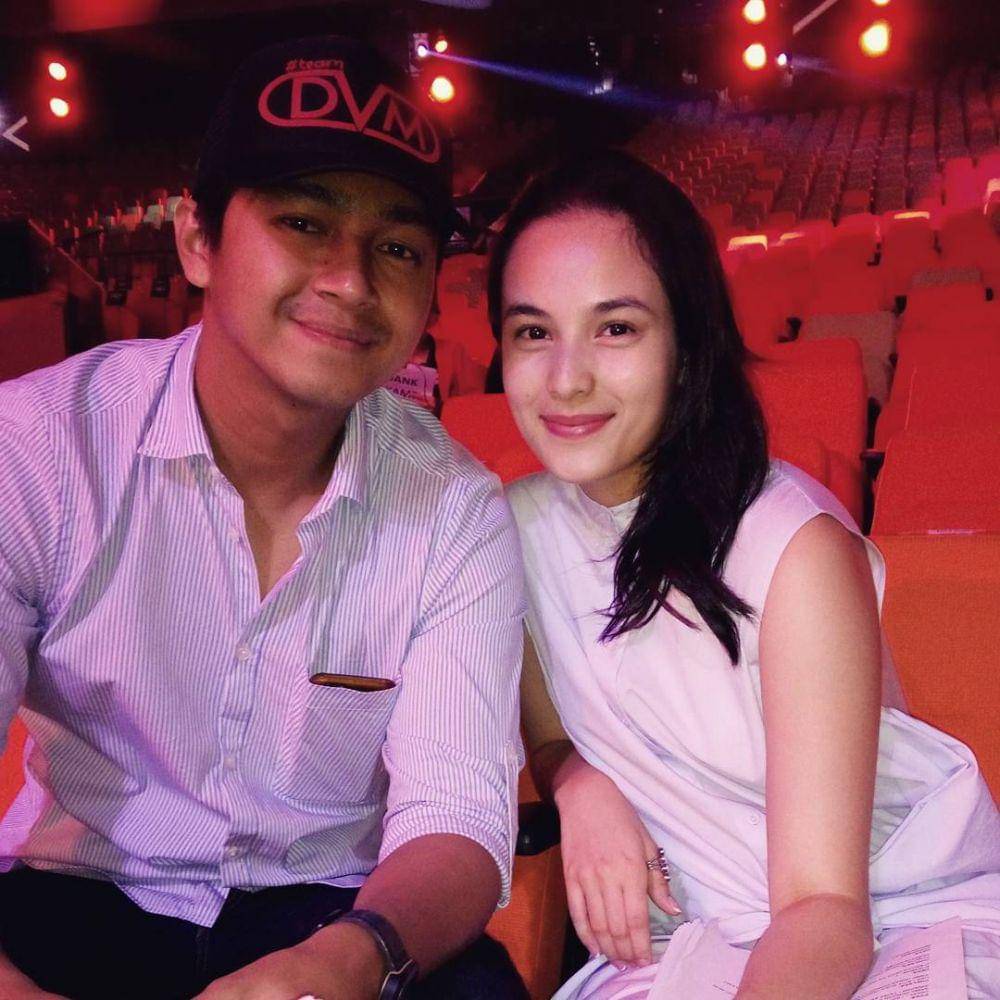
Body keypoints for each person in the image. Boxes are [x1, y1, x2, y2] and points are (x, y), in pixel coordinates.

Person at [0, 36, 528, 1000]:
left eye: (397, 247)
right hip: (81, 886)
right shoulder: (37, 448)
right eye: (303, 221)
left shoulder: (455, 510)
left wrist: (345, 961)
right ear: (198, 241)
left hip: (331, 908)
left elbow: (456, 818)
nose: (351, 280)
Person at [490, 149, 1000, 998]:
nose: (566, 379)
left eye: (616, 328)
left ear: (687, 344)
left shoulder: (793, 549)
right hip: (694, 938)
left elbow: (823, 909)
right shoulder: (515, 528)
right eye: (533, 332)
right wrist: (580, 787)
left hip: (891, 924)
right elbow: (549, 738)